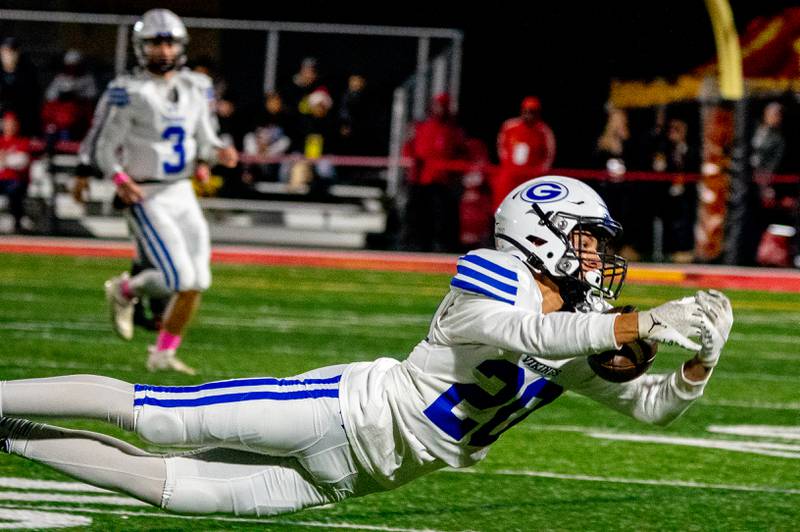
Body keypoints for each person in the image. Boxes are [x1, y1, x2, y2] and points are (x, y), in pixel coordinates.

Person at [0, 175, 732, 517]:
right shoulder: (494, 273)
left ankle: (11, 438)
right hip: (342, 413)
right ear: (540, 232)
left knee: (163, 487)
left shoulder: (581, 330)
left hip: (357, 478)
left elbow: (651, 409)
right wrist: (635, 324)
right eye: (587, 241)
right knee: (157, 416)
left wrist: (698, 366)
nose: (601, 259)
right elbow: (525, 334)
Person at [85, 9, 237, 374]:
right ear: (141, 46)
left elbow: (204, 137)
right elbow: (103, 148)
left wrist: (215, 154)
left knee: (198, 280)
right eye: (156, 42)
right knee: (175, 278)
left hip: (182, 190)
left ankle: (163, 354)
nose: (163, 50)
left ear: (180, 45)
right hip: (145, 193)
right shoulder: (128, 91)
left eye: (169, 42)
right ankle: (125, 290)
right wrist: (121, 181)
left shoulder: (196, 87)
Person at [402, 92, 467, 252]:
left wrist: (455, 174)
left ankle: (441, 245)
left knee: (442, 216)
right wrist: (411, 169)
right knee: (419, 214)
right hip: (421, 179)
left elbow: (461, 152)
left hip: (443, 181)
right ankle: (416, 243)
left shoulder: (453, 130)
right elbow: (409, 148)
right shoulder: (421, 126)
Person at [493, 96, 556, 209]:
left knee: (529, 206)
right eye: (526, 111)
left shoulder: (544, 131)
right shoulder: (510, 126)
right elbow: (501, 147)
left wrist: (538, 172)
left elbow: (549, 155)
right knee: (503, 202)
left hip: (531, 175)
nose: (528, 115)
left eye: (532, 112)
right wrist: (508, 165)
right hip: (511, 173)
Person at [0, 111, 34, 232]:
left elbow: (21, 162)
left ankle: (17, 222)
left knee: (14, 189)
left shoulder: (23, 142)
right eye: (7, 123)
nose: (9, 126)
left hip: (15, 181)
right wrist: (8, 159)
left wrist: (5, 159)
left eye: (12, 124)